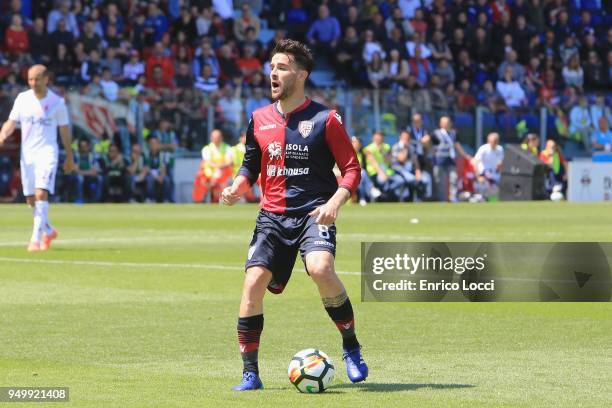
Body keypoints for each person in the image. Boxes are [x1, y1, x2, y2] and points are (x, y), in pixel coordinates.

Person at [220, 39, 367, 391]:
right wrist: (237, 187)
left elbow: (351, 169)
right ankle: (250, 373)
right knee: (253, 284)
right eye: (271, 67)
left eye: (282, 67)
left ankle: (351, 347)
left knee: (321, 268)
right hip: (271, 217)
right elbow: (250, 166)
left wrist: (335, 202)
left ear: (300, 75)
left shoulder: (325, 119)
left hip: (313, 214)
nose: (273, 73)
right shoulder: (258, 119)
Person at [0, 64, 74, 251]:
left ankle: (35, 240)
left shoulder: (57, 102)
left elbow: (64, 130)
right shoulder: (23, 99)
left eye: (37, 79)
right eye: (30, 79)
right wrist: (2, 135)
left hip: (47, 152)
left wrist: (69, 156)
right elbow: (11, 121)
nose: (33, 83)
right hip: (28, 155)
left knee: (42, 193)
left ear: (46, 79)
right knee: (31, 199)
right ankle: (48, 230)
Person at [431, 116, 469, 202]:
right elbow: (432, 146)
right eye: (444, 122)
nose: (446, 124)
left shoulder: (453, 133)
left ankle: (453, 198)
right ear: (440, 124)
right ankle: (442, 199)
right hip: (439, 160)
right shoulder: (435, 134)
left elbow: (457, 145)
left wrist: (465, 155)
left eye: (447, 122)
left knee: (454, 178)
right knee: (440, 181)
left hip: (450, 159)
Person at [192, 129, 234, 203]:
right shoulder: (207, 149)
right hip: (208, 174)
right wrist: (219, 166)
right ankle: (198, 200)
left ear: (221, 138)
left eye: (218, 137)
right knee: (199, 177)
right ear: (211, 138)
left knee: (220, 175)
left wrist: (218, 167)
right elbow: (208, 162)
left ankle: (217, 199)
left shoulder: (227, 148)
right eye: (214, 137)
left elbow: (229, 162)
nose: (216, 139)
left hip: (222, 173)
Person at [472, 132, 504, 199]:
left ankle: (492, 202)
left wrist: (501, 175)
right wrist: (478, 176)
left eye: (496, 141)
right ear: (488, 141)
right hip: (483, 173)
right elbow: (475, 162)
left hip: (494, 174)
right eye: (492, 141)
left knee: (494, 193)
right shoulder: (483, 148)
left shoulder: (500, 149)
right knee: (483, 192)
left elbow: (500, 163)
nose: (494, 143)